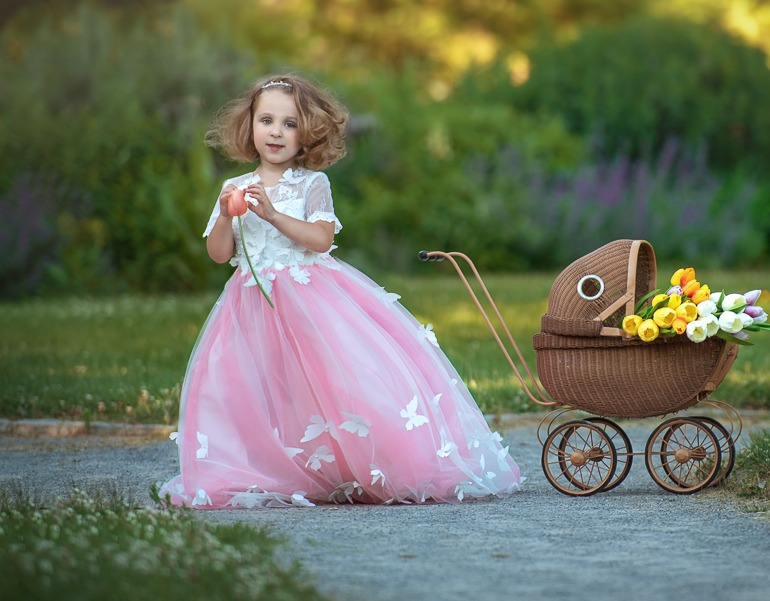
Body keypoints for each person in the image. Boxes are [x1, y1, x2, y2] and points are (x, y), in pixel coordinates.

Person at [160, 74, 523, 507]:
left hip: (309, 300)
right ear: (250, 126)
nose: (276, 132)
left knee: (328, 381)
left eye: (290, 124)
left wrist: (274, 216)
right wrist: (223, 217)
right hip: (251, 306)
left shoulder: (312, 185)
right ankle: (278, 465)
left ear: (307, 134)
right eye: (267, 120)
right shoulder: (233, 188)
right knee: (264, 386)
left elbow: (319, 240)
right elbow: (219, 254)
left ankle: (355, 463)